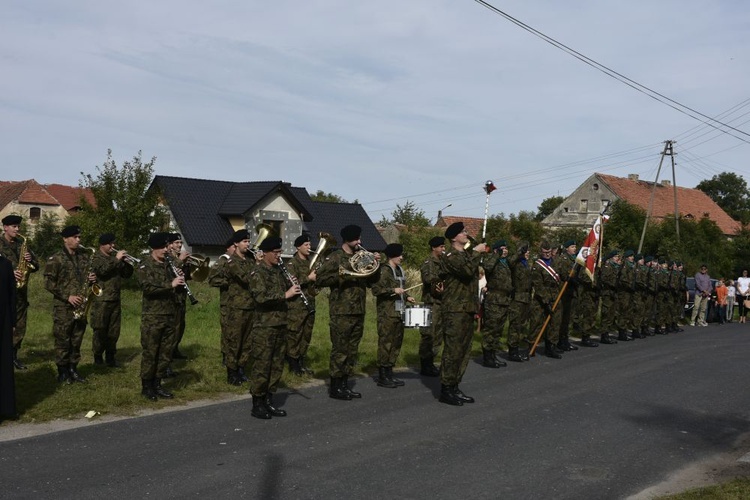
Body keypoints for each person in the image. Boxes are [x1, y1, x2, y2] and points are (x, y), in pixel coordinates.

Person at [316, 224, 380, 400]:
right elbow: (319, 278)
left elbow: (372, 279)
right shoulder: (335, 257)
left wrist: (376, 264)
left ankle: (345, 383)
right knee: (340, 349)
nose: (360, 242)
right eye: (356, 238)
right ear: (347, 239)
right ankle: (336, 386)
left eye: (359, 238)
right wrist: (340, 276)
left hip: (358, 310)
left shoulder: (361, 257)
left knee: (352, 350)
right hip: (341, 311)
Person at [247, 236, 300, 419]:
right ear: (266, 253)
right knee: (262, 365)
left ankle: (269, 400)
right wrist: (286, 294)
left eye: (280, 252)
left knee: (276, 365)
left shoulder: (279, 271)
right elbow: (261, 297)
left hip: (280, 324)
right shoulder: (258, 272)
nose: (279, 256)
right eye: (276, 253)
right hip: (264, 326)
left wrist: (293, 286)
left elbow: (288, 293)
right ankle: (257, 403)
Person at [438, 222, 486, 406]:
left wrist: (473, 253)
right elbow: (466, 271)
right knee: (453, 350)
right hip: (454, 310)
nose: (466, 234)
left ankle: (455, 385)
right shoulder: (450, 256)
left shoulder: (465, 255)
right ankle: (446, 389)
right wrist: (477, 251)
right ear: (453, 238)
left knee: (464, 351)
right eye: (463, 232)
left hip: (467, 309)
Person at [44, 225, 96, 384]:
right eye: (75, 237)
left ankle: (73, 369)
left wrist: (92, 280)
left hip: (81, 305)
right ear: (65, 239)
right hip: (63, 307)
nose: (78, 240)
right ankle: (62, 371)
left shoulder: (84, 257)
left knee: (76, 339)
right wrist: (68, 297)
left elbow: (87, 278)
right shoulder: (56, 258)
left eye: (79, 237)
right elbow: (48, 283)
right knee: (62, 340)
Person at [136, 232, 180, 401]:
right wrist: (170, 285)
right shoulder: (144, 265)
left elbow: (175, 286)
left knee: (165, 353)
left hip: (169, 314)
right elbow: (147, 288)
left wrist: (179, 284)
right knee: (151, 352)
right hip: (153, 316)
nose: (165, 250)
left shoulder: (169, 264)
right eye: (162, 247)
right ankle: (146, 386)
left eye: (166, 247)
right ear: (154, 248)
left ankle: (158, 384)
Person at [372, 243, 415, 388]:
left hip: (399, 313)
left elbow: (401, 288)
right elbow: (376, 290)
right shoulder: (384, 270)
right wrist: (392, 289)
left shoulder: (399, 270)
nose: (402, 258)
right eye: (400, 255)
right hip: (387, 314)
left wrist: (407, 296)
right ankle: (383, 375)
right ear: (392, 256)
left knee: (396, 344)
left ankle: (390, 372)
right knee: (386, 344)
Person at [0, 214, 39, 370]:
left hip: (20, 294)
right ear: (5, 228)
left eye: (18, 226)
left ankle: (13, 356)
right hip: (3, 295)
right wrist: (10, 273)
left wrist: (31, 260)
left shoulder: (22, 244)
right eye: (14, 226)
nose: (17, 229)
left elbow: (36, 267)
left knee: (20, 327)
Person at [89, 233, 133, 367]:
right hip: (101, 299)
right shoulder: (96, 257)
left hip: (115, 299)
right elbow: (102, 271)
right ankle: (97, 357)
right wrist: (117, 260)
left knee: (114, 331)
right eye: (110, 244)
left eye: (113, 243)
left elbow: (127, 275)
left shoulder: (115, 259)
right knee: (100, 329)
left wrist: (127, 264)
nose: (113, 246)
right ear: (102, 245)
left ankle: (110, 357)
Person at [223, 229, 257, 386]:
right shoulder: (232, 262)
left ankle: (241, 368)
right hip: (236, 308)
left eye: (248, 241)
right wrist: (257, 265)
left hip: (250, 306)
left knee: (247, 341)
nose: (248, 244)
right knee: (234, 341)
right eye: (244, 241)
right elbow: (245, 278)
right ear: (236, 243)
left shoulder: (250, 261)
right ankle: (232, 372)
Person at [285, 234, 317, 376]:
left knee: (306, 334)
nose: (309, 247)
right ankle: (293, 364)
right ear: (298, 247)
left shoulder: (311, 262)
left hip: (310, 303)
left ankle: (301, 361)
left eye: (310, 245)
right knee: (295, 334)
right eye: (306, 245)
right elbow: (291, 282)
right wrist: (308, 278)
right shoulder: (292, 263)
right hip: (296, 306)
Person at [530, 241, 564, 358]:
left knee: (555, 323)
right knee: (537, 323)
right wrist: (546, 301)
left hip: (555, 296)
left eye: (549, 252)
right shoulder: (537, 265)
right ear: (540, 252)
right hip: (541, 299)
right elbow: (538, 285)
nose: (547, 254)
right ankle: (532, 345)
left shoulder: (556, 263)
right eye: (545, 252)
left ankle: (551, 347)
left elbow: (561, 276)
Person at [480, 240, 512, 367]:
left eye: (506, 248)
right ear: (495, 250)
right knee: (490, 329)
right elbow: (487, 268)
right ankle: (487, 357)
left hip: (504, 299)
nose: (505, 251)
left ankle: (493, 355)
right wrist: (496, 255)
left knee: (498, 330)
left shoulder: (506, 262)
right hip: (494, 300)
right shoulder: (492, 260)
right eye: (502, 249)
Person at [419, 236, 446, 376]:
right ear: (434, 248)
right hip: (431, 303)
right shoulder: (428, 262)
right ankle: (425, 364)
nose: (443, 249)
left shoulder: (443, 262)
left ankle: (431, 362)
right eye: (441, 247)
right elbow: (428, 278)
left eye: (444, 246)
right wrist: (442, 278)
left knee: (438, 334)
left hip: (441, 303)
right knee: (428, 334)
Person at [207, 237, 237, 366]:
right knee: (227, 330)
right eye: (234, 247)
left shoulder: (240, 261)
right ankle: (226, 355)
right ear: (228, 248)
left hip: (240, 302)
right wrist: (229, 282)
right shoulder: (222, 261)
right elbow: (212, 279)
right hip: (228, 302)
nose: (236, 250)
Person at [507, 243, 534, 361]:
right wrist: (519, 253)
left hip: (527, 297)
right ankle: (513, 350)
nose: (527, 253)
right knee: (515, 325)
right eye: (525, 251)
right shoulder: (516, 263)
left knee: (523, 325)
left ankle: (520, 348)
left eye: (528, 251)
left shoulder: (528, 264)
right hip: (517, 298)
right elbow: (510, 262)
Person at [553, 240, 581, 351]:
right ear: (566, 248)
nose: (574, 248)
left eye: (575, 246)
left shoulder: (575, 260)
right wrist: (568, 278)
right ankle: (560, 340)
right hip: (564, 292)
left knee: (568, 317)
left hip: (571, 291)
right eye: (572, 246)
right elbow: (560, 273)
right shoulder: (562, 259)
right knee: (562, 317)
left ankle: (565, 339)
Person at [0, 253, 17, 421]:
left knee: (4, 363)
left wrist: (12, 321)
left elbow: (12, 293)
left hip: (3, 320)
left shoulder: (5, 264)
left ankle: (6, 407)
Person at [167, 233, 189, 362]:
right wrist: (180, 260)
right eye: (176, 243)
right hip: (172, 298)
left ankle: (175, 349)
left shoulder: (179, 258)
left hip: (181, 297)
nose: (179, 245)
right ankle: (168, 353)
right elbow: (170, 274)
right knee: (172, 327)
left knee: (180, 325)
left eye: (180, 243)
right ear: (169, 245)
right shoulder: (167, 258)